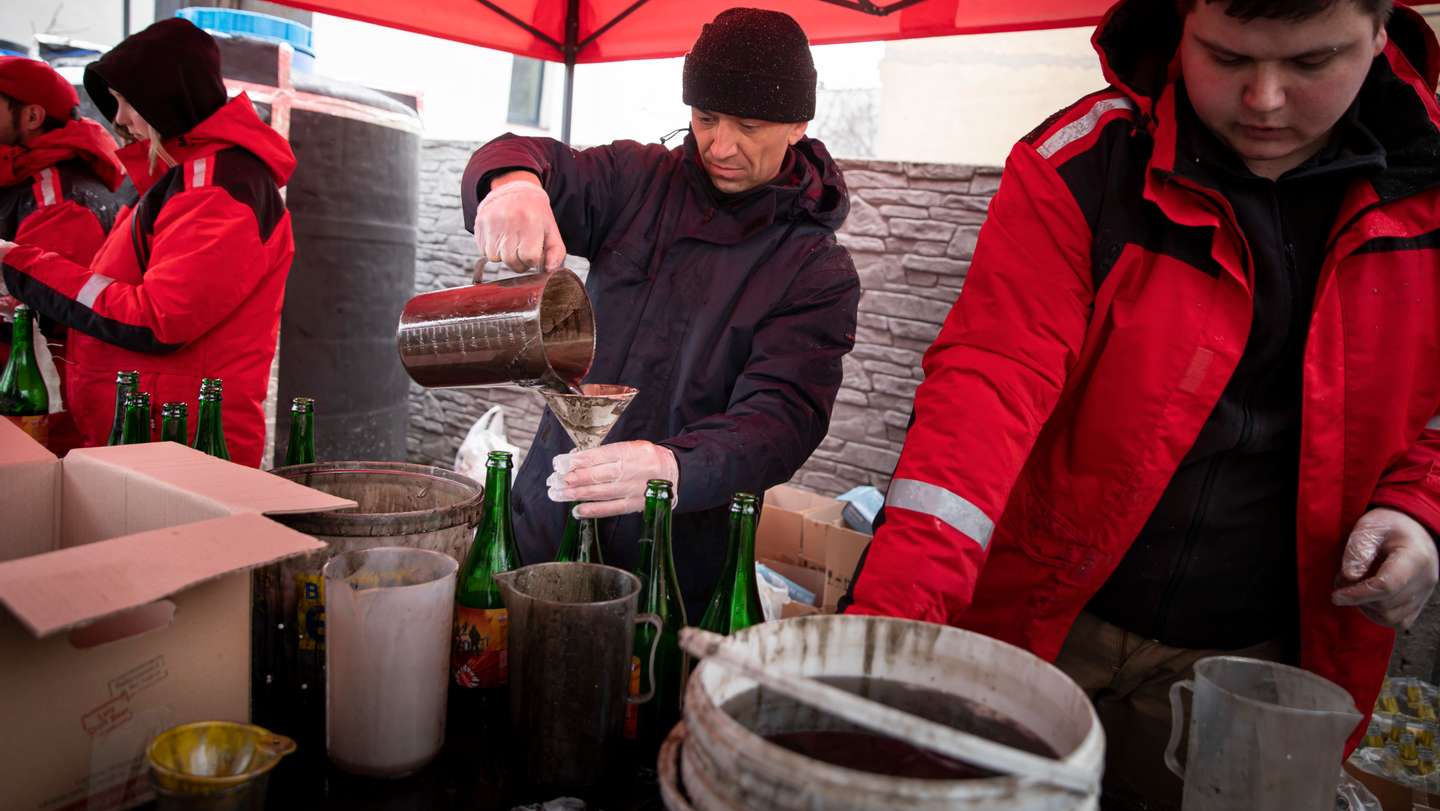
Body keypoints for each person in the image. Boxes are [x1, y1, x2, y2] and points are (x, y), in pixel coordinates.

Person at [842, 0, 1440, 807]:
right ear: (1178, 20)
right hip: (1046, 625)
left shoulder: (1428, 195)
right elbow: (985, 392)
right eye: (1225, 59)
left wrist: (1418, 508)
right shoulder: (1085, 163)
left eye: (1310, 63)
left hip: (1257, 658)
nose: (1264, 99)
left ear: (1380, 32)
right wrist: (893, 630)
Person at [462, 8, 860, 617]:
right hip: (550, 512)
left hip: (678, 556)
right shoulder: (637, 181)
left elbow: (782, 419)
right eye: (705, 118)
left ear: (797, 124)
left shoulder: (812, 269)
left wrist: (674, 467)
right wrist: (513, 182)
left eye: (748, 126)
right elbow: (533, 157)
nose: (719, 146)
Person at [0, 18, 297, 467]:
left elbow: (159, 319)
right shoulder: (188, 178)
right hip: (150, 440)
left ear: (166, 98)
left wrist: (19, 266)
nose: (118, 119)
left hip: (182, 448)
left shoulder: (214, 185)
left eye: (125, 102)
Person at [0, 56, 125, 453]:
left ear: (32, 116)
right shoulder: (24, 178)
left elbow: (41, 312)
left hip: (37, 414)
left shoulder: (54, 196)